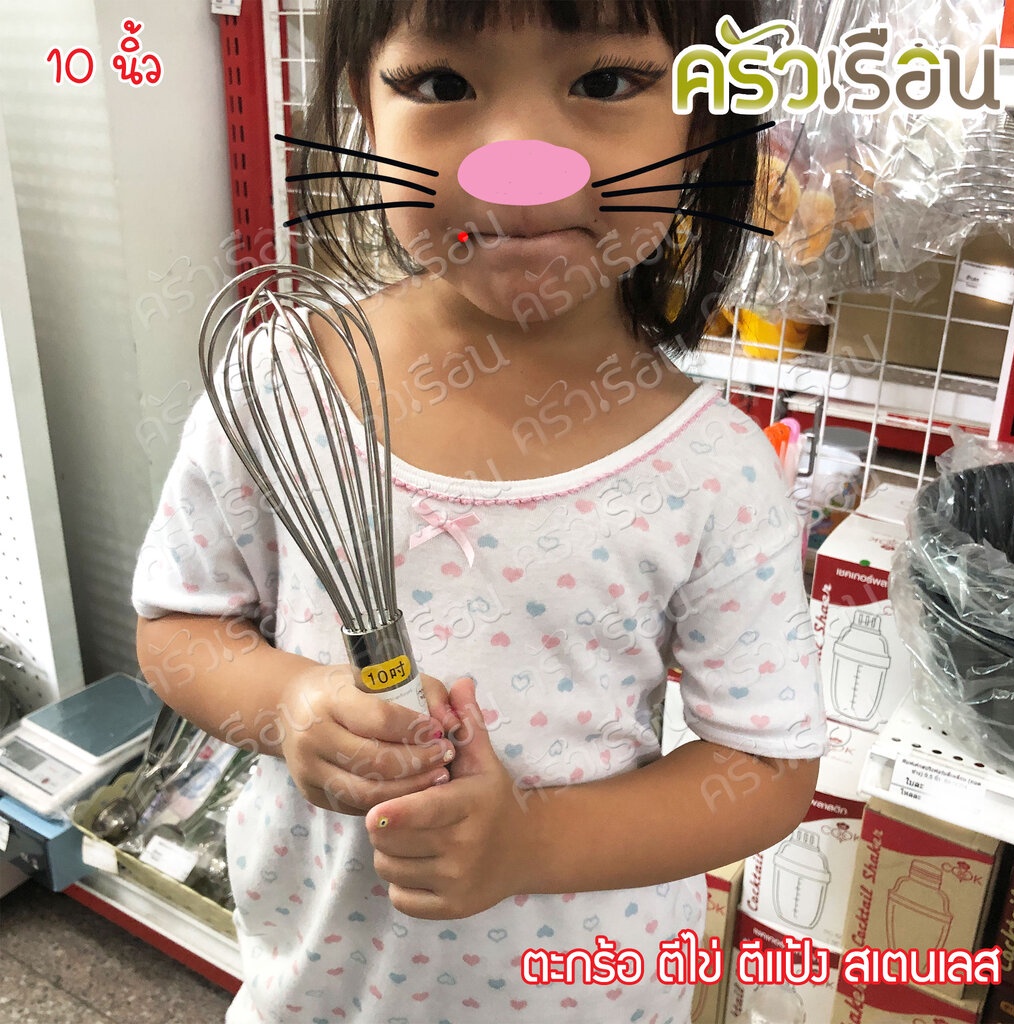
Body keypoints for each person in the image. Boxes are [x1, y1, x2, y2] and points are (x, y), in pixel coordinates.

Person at [134, 2, 827, 1021]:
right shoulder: (281, 386)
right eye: (442, 85)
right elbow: (180, 630)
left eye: (603, 82)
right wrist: (288, 706)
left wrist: (526, 842)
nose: (520, 165)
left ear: (703, 119)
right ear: (363, 107)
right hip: (320, 993)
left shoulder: (715, 469)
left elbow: (763, 769)